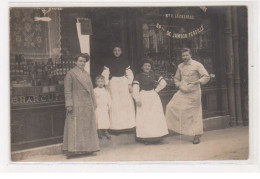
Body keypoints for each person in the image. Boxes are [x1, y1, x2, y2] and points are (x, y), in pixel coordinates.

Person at [166, 48, 210, 144]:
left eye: (186, 55)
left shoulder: (197, 65)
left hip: (194, 93)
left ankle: (196, 135)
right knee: (170, 106)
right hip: (183, 91)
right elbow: (176, 78)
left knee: (195, 114)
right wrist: (179, 84)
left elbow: (206, 76)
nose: (184, 57)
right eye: (183, 56)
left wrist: (197, 82)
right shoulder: (180, 66)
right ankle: (174, 129)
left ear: (191, 55)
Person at [62, 53, 100, 159]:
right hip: (76, 104)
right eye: (80, 61)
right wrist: (69, 104)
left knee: (87, 127)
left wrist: (94, 102)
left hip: (87, 104)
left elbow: (91, 90)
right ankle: (74, 150)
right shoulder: (71, 74)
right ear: (75, 62)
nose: (82, 63)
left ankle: (88, 149)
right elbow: (67, 91)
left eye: (84, 61)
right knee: (75, 127)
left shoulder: (87, 74)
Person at [133, 60, 168, 145]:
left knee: (155, 115)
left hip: (153, 96)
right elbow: (135, 88)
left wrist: (156, 90)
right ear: (142, 67)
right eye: (145, 66)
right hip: (143, 96)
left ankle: (157, 136)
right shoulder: (138, 76)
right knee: (145, 117)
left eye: (149, 66)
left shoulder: (154, 74)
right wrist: (137, 99)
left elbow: (164, 83)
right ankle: (146, 137)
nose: (147, 67)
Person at [102, 45, 136, 134]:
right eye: (115, 50)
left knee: (125, 103)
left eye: (119, 50)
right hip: (113, 83)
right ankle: (116, 127)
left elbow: (129, 73)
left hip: (123, 83)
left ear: (121, 51)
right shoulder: (109, 61)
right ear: (112, 52)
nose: (117, 52)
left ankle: (128, 126)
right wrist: (106, 84)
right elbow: (105, 73)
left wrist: (129, 83)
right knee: (115, 104)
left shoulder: (125, 61)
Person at [94, 75, 112, 140]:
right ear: (96, 83)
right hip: (98, 108)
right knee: (98, 119)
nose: (100, 83)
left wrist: (109, 106)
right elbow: (94, 99)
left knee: (105, 119)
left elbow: (109, 98)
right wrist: (94, 105)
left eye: (102, 81)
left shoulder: (106, 91)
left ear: (104, 82)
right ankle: (99, 131)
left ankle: (105, 131)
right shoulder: (95, 91)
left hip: (104, 107)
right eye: (98, 82)